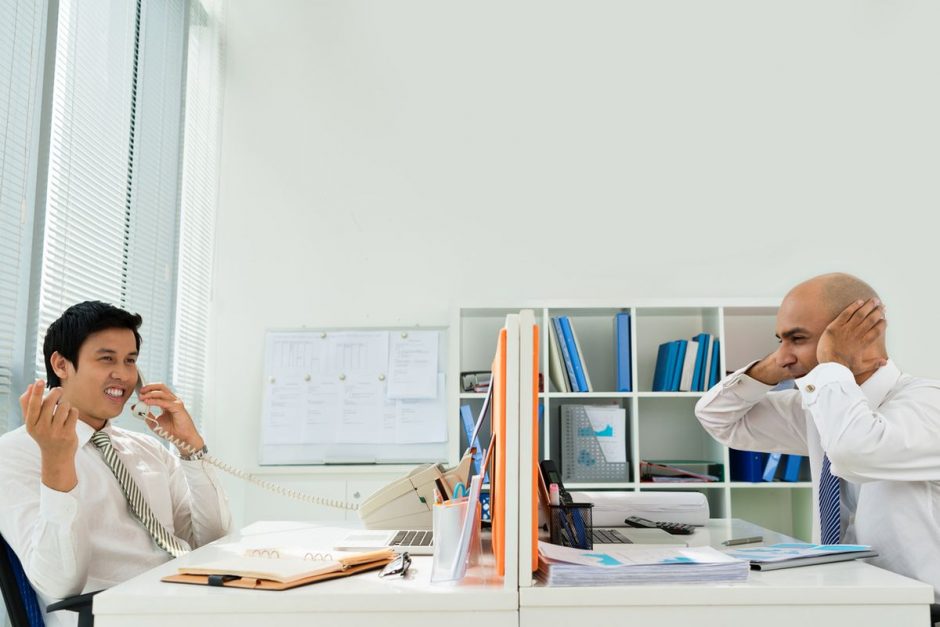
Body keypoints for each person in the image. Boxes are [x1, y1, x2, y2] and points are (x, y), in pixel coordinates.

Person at [695, 272, 940, 603]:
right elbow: (718, 418)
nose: (784, 355)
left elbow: (854, 454)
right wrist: (773, 366)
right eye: (780, 339)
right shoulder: (818, 408)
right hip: (844, 598)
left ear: (865, 332)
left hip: (921, 610)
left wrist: (832, 365)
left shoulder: (928, 403)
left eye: (797, 339)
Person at [0, 301, 231, 626]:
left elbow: (211, 542)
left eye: (130, 361)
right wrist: (57, 461)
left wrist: (191, 448)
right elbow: (59, 583)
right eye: (107, 359)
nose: (122, 375)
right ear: (62, 365)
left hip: (184, 605)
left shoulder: (148, 448)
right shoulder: (14, 453)